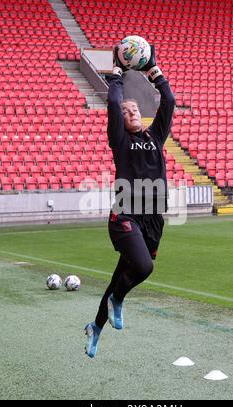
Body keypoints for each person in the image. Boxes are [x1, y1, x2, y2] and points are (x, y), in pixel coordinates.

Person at [85, 44, 176, 358]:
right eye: (125, 112)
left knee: (118, 277)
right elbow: (113, 100)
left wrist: (153, 69)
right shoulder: (120, 141)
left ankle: (96, 327)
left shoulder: (155, 136)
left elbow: (170, 100)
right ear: (120, 121)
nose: (131, 112)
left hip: (153, 219)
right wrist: (118, 74)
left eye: (134, 109)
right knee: (143, 266)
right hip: (125, 215)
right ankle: (118, 302)